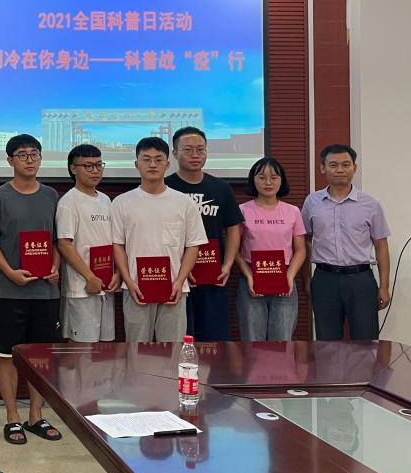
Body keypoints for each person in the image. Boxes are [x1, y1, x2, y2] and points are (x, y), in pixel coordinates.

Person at [0, 134, 62, 445]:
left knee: (41, 358)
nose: (29, 160)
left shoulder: (52, 195)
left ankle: (36, 416)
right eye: (22, 154)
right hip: (9, 291)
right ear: (10, 160)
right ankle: (12, 417)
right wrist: (10, 273)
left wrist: (55, 267)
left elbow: (57, 240)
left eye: (34, 154)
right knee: (6, 356)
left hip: (45, 293)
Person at [112, 137, 206, 342]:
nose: (152, 164)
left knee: (173, 350)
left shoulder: (184, 203)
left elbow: (193, 245)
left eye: (158, 159)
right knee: (136, 349)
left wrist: (180, 281)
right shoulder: (121, 203)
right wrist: (128, 280)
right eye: (146, 159)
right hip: (135, 289)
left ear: (168, 164)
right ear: (136, 164)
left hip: (174, 290)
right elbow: (117, 245)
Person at [301, 144, 391, 340]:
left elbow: (381, 245)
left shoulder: (371, 204)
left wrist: (384, 286)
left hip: (361, 279)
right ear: (322, 168)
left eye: (346, 164)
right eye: (333, 165)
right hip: (324, 279)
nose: (340, 170)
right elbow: (305, 242)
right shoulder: (312, 202)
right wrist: (307, 279)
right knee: (327, 342)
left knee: (365, 341)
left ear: (354, 168)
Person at [165, 127, 243, 341]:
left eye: (200, 149)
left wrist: (227, 265)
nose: (195, 155)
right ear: (175, 154)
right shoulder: (166, 187)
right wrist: (181, 271)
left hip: (213, 276)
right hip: (176, 277)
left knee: (213, 340)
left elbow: (233, 228)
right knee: (180, 338)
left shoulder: (221, 188)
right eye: (188, 150)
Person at [234, 157, 306, 340]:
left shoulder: (293, 211)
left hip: (285, 278)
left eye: (274, 177)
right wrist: (249, 276)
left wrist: (289, 276)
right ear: (253, 180)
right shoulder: (242, 210)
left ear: (281, 181)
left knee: (281, 342)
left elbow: (300, 250)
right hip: (251, 279)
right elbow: (234, 250)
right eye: (262, 177)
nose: (268, 182)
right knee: (252, 341)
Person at [56, 144, 119, 342]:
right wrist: (90, 277)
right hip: (81, 288)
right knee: (81, 350)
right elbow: (64, 244)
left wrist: (116, 274)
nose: (95, 171)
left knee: (104, 349)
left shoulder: (106, 200)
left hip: (105, 286)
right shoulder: (69, 202)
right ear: (73, 168)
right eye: (88, 166)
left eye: (99, 165)